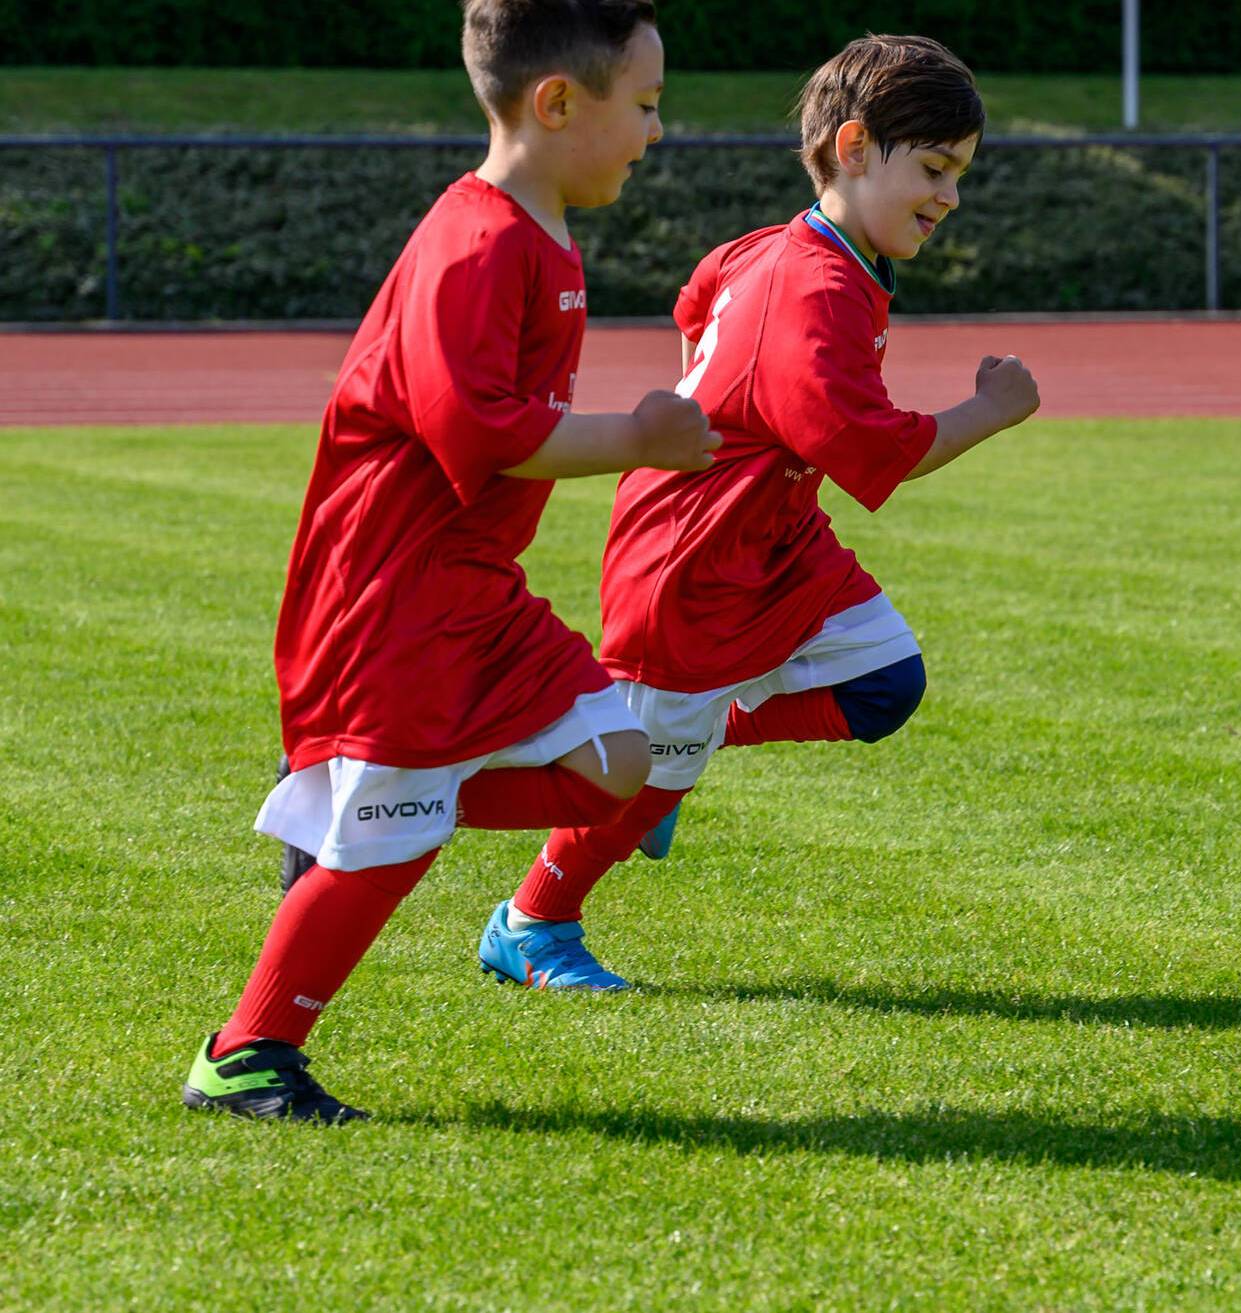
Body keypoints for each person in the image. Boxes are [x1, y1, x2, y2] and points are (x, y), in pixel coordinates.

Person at [182, 0, 720, 1123]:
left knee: (621, 758)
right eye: (648, 105)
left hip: (471, 585)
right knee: (396, 830)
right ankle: (245, 1054)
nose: (657, 132)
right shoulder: (478, 241)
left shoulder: (536, 229)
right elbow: (476, 431)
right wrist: (639, 436)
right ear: (557, 102)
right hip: (397, 589)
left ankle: (362, 807)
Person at [478, 33, 1039, 989]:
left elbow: (695, 301)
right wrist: (991, 410)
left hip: (771, 533)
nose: (951, 196)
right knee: (638, 778)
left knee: (884, 680)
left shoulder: (792, 252)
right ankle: (532, 922)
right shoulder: (815, 287)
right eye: (937, 170)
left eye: (960, 174)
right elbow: (872, 449)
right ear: (855, 148)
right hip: (691, 557)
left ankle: (685, 740)